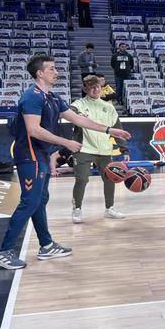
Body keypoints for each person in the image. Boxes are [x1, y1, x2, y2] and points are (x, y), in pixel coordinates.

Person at [0, 54, 132, 270]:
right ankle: (4, 251)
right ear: (40, 73)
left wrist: (109, 130)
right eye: (52, 69)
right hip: (30, 156)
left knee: (40, 200)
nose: (56, 72)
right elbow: (33, 129)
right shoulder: (32, 97)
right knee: (30, 201)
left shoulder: (53, 98)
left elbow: (78, 119)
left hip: (41, 156)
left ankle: (46, 245)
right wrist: (66, 142)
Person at [70, 75, 128, 223]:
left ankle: (109, 208)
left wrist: (124, 149)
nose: (96, 89)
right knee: (82, 179)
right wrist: (76, 114)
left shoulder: (109, 107)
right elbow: (70, 112)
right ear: (85, 89)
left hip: (104, 150)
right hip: (84, 149)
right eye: (92, 87)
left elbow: (117, 128)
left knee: (110, 179)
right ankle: (77, 209)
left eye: (98, 87)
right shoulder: (79, 104)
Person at [110, 43, 136, 107]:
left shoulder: (129, 56)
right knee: (118, 88)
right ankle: (118, 100)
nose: (124, 48)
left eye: (125, 47)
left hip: (127, 75)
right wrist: (117, 70)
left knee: (127, 89)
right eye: (122, 47)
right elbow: (112, 64)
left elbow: (131, 64)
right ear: (119, 47)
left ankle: (126, 102)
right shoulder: (115, 56)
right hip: (118, 75)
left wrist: (128, 70)